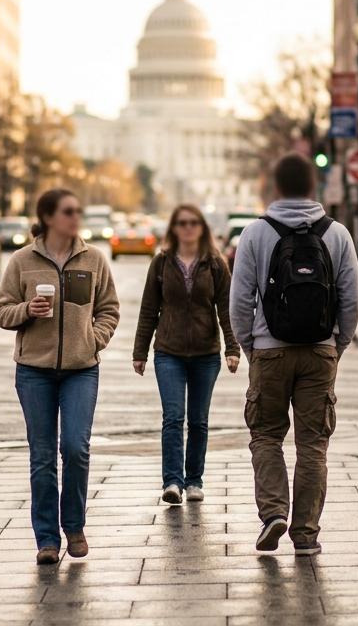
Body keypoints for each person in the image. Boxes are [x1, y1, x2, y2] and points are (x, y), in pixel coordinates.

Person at [229, 153, 358, 556]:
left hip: (270, 351)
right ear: (313, 187)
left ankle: (273, 513)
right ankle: (305, 533)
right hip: (320, 352)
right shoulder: (336, 233)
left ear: (275, 187)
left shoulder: (255, 233)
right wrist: (337, 345)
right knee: (313, 444)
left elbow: (240, 300)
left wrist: (250, 345)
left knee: (266, 435)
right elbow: (350, 300)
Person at [0, 188, 120, 566]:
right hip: (34, 372)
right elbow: (1, 311)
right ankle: (47, 539)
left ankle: (75, 526)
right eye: (68, 211)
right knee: (43, 456)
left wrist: (93, 339)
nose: (75, 217)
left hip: (81, 371)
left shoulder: (93, 259)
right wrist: (26, 310)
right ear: (49, 217)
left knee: (77, 448)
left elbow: (109, 308)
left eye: (78, 210)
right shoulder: (21, 261)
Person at [132, 204, 241, 505]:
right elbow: (147, 311)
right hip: (169, 352)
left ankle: (194, 481)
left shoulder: (216, 264)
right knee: (173, 417)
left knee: (199, 420)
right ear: (174, 228)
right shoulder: (162, 263)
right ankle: (172, 482)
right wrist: (139, 351)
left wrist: (233, 348)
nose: (188, 228)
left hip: (207, 354)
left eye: (194, 223)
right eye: (182, 223)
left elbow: (227, 310)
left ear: (202, 228)